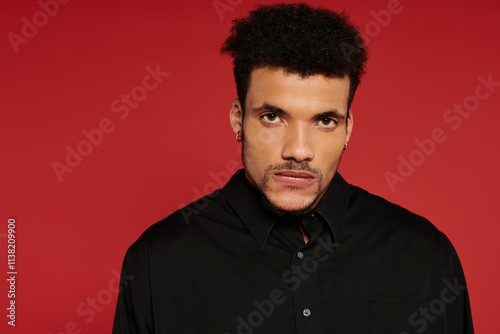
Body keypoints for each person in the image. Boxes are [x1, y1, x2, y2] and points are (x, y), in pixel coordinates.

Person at [112, 3, 474, 333]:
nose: (299, 150)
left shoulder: (424, 254)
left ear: (348, 128)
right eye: (272, 117)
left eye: (325, 121)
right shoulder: (158, 264)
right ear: (238, 120)